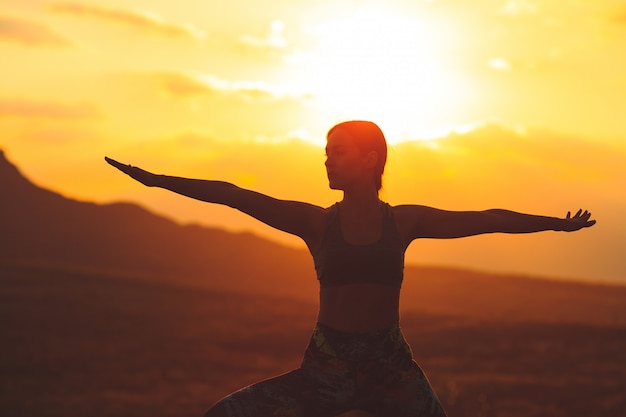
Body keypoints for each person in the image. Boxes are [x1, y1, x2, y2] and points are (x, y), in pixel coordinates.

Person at [105, 120, 595, 417]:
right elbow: (233, 194)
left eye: (337, 152)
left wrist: (555, 225)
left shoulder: (404, 221)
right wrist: (156, 181)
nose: (327, 161)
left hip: (391, 367)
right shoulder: (315, 223)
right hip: (326, 369)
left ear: (370, 157)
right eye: (325, 153)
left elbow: (485, 220)